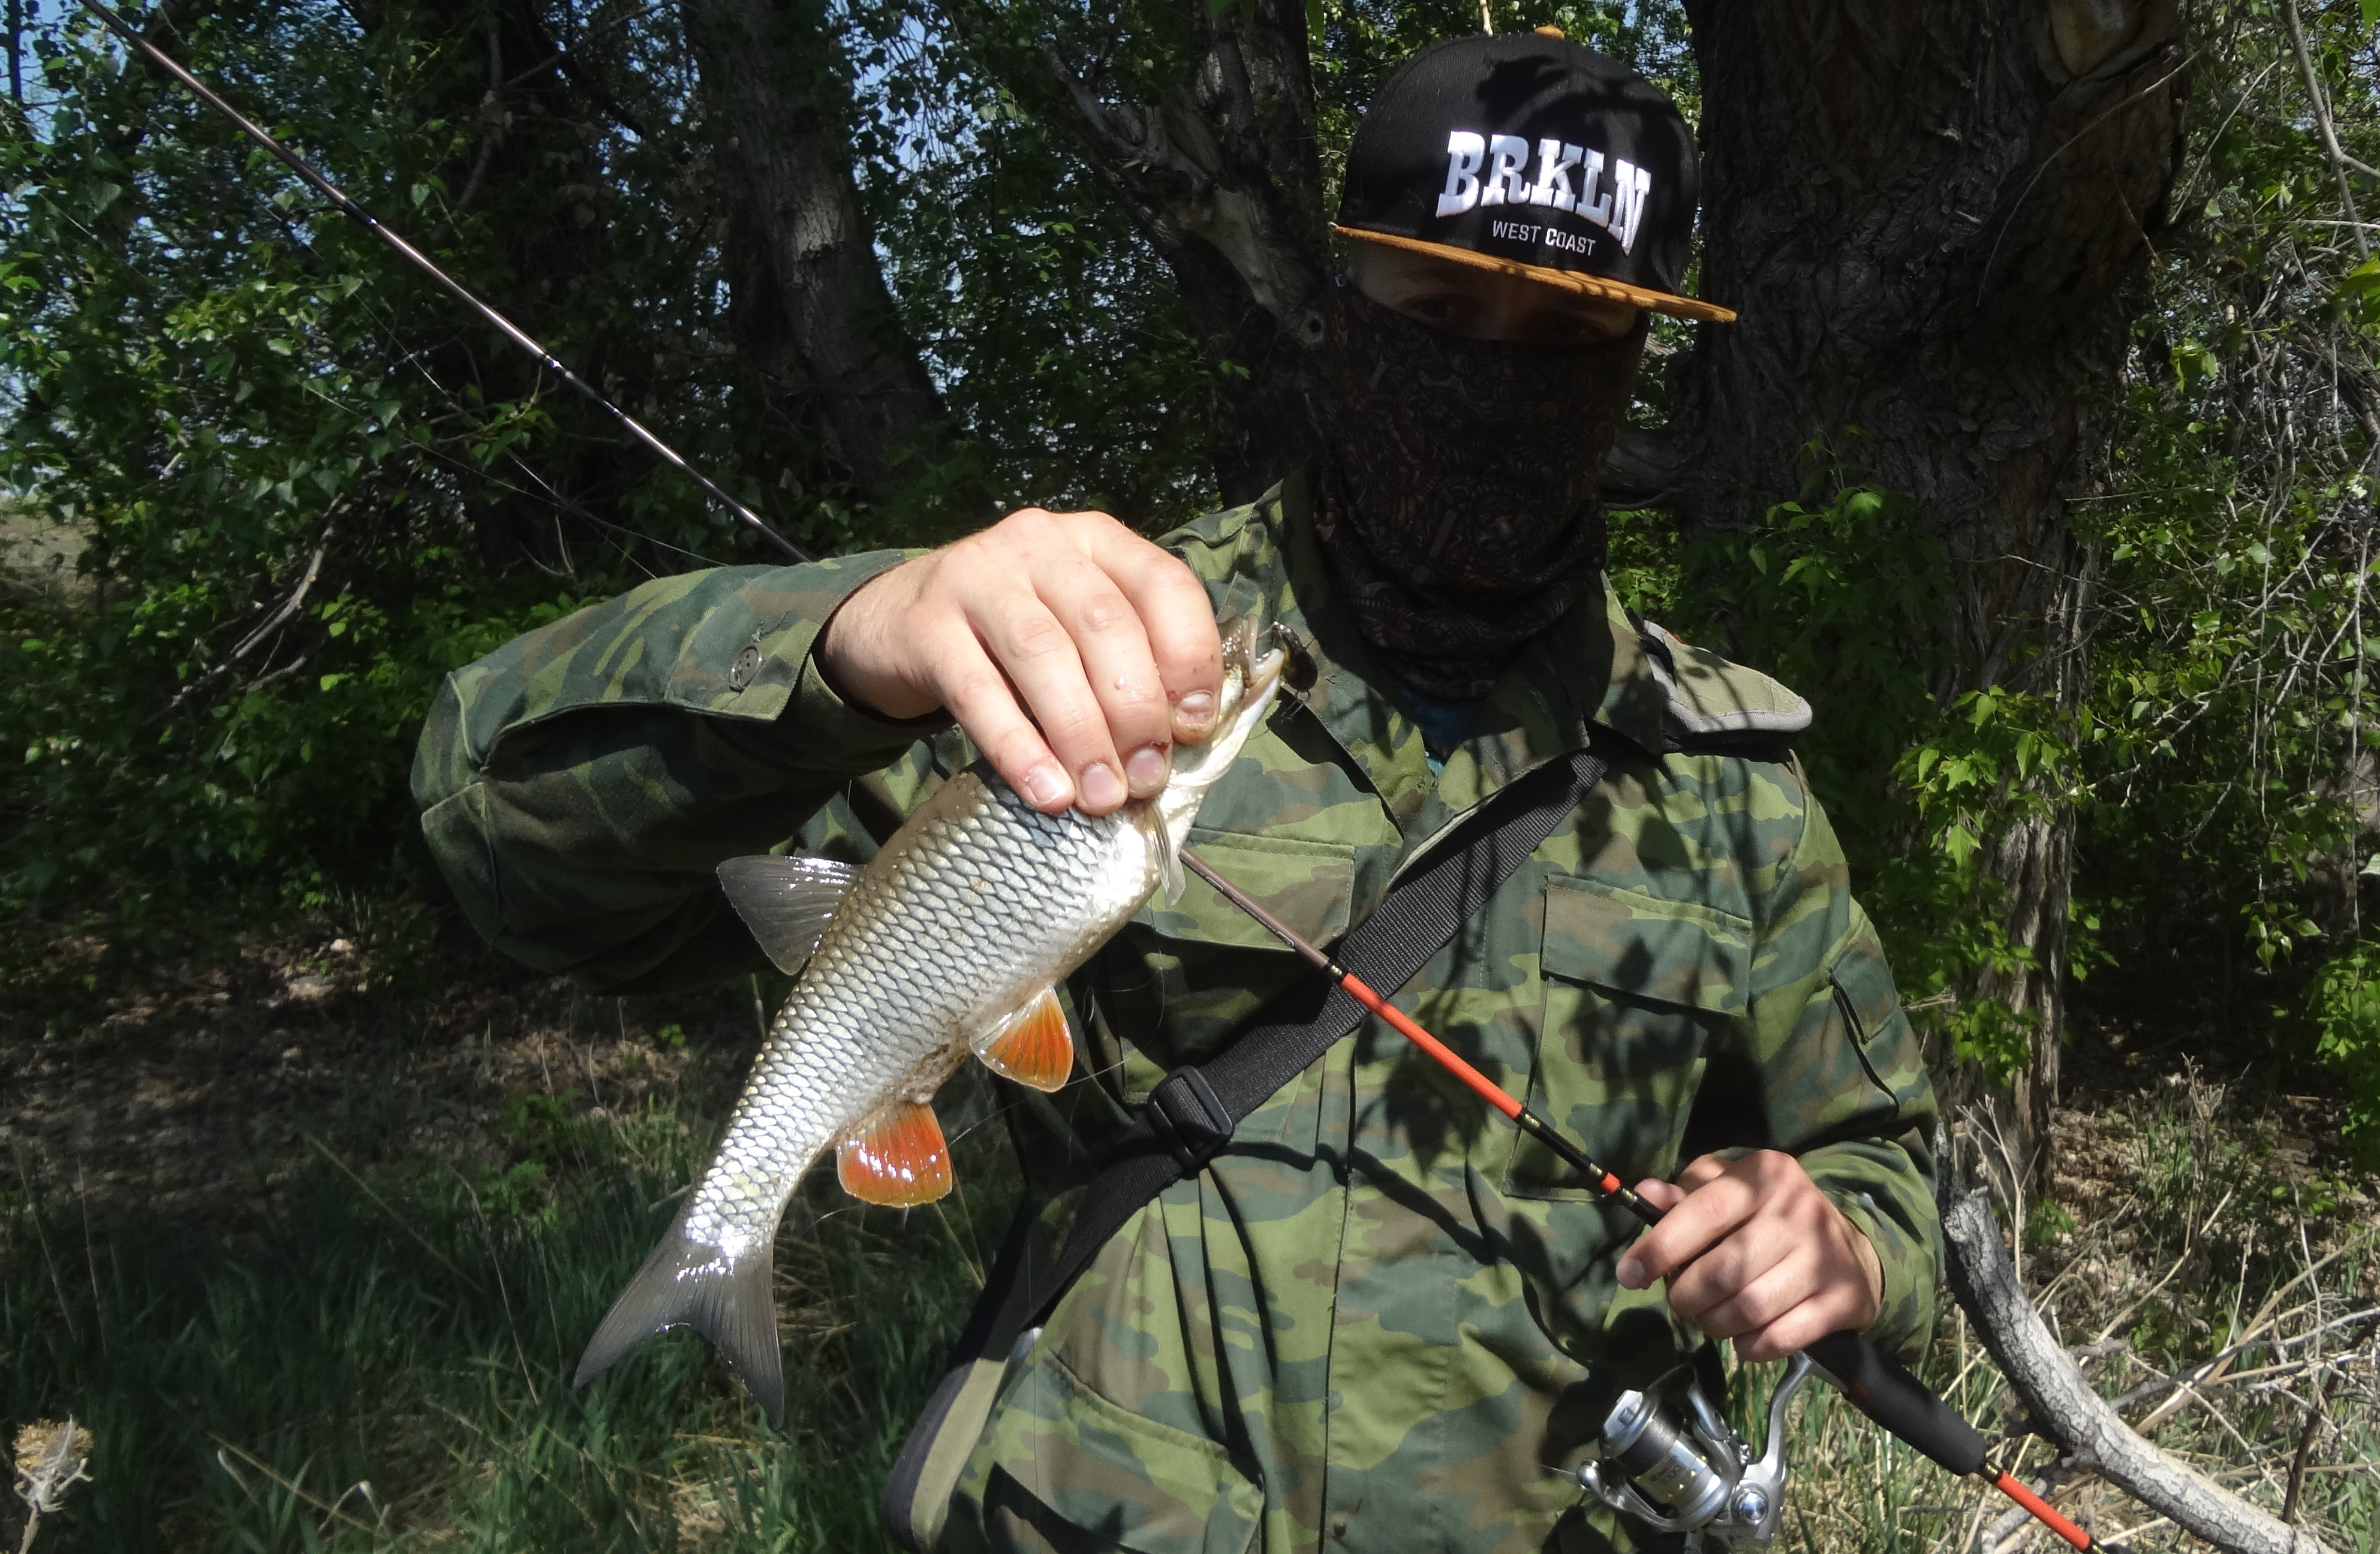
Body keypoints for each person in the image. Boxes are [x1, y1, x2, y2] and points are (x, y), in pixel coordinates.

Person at [412, 30, 1942, 1554]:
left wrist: (1846, 1243)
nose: (1499, 377)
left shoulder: (1717, 780)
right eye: (1443, 313)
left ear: (1637, 359)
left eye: (1568, 334)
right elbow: (508, 854)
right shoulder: (1094, 658)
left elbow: (1883, 1156)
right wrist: (849, 644)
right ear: (1344, 310)